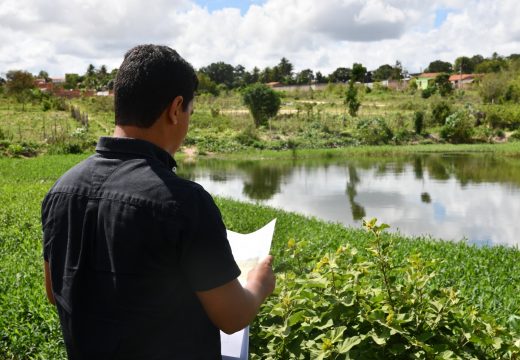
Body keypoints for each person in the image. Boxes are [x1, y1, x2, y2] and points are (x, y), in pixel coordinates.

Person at [42, 44, 275, 360]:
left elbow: (54, 292)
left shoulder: (60, 191)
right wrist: (259, 284)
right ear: (176, 108)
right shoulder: (184, 203)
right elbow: (232, 317)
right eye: (190, 112)